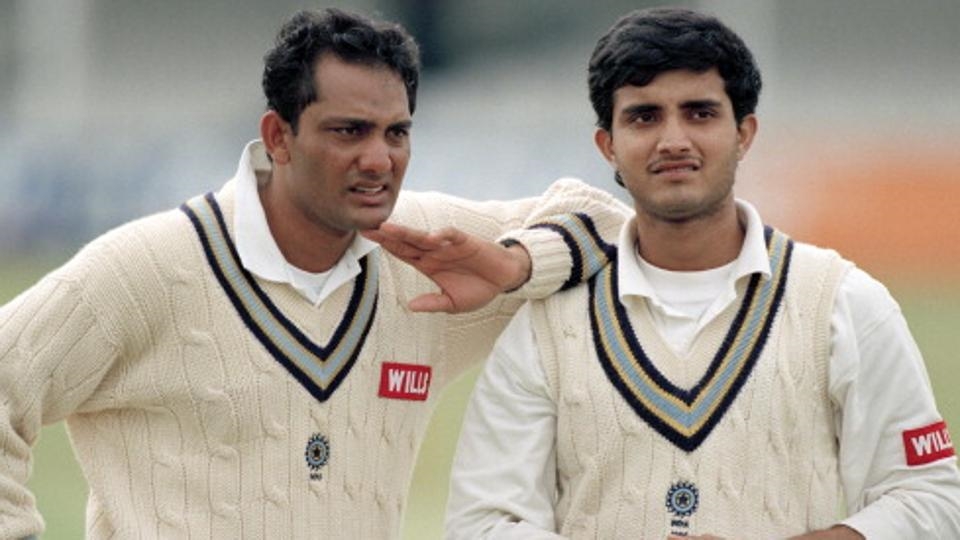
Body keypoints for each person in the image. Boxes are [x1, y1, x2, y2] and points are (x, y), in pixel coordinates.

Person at [0, 8, 631, 539]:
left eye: (397, 132)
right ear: (278, 136)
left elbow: (607, 220)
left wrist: (516, 265)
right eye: (349, 131)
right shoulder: (148, 269)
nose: (380, 159)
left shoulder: (425, 249)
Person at [444, 7, 960, 540]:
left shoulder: (842, 303)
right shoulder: (547, 326)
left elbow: (931, 499)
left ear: (744, 133)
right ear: (608, 146)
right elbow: (483, 524)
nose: (673, 140)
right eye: (644, 117)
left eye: (699, 113)